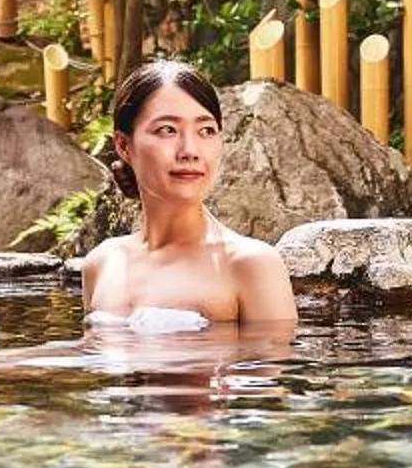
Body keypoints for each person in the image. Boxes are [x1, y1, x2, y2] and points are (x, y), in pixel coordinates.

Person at [78, 57, 297, 330]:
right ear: (124, 145)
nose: (190, 151)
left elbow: (269, 368)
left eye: (206, 130)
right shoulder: (101, 264)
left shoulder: (251, 265)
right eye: (168, 130)